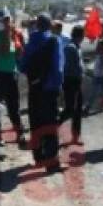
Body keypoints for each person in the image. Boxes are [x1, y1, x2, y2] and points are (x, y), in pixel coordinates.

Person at [20, 13, 64, 171]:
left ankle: (38, 158)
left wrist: (35, 77)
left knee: (36, 123)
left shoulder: (30, 41)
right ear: (50, 25)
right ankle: (51, 162)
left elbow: (22, 67)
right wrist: (58, 88)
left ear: (37, 25)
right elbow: (58, 69)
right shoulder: (55, 40)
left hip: (34, 88)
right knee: (50, 126)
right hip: (50, 89)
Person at [0, 10, 27, 147]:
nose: (7, 22)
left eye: (8, 19)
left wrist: (18, 40)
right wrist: (6, 35)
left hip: (12, 74)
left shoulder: (15, 34)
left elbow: (20, 54)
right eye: (4, 20)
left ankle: (20, 134)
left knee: (14, 107)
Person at [59, 25, 85, 145]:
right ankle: (54, 126)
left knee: (78, 110)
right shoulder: (70, 48)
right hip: (71, 82)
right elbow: (69, 67)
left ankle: (75, 136)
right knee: (70, 109)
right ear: (80, 36)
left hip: (77, 82)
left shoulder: (77, 47)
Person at [83, 38, 103, 115]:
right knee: (93, 93)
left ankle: (102, 107)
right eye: (99, 45)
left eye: (101, 46)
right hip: (96, 76)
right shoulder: (98, 54)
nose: (99, 47)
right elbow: (94, 63)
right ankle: (87, 107)